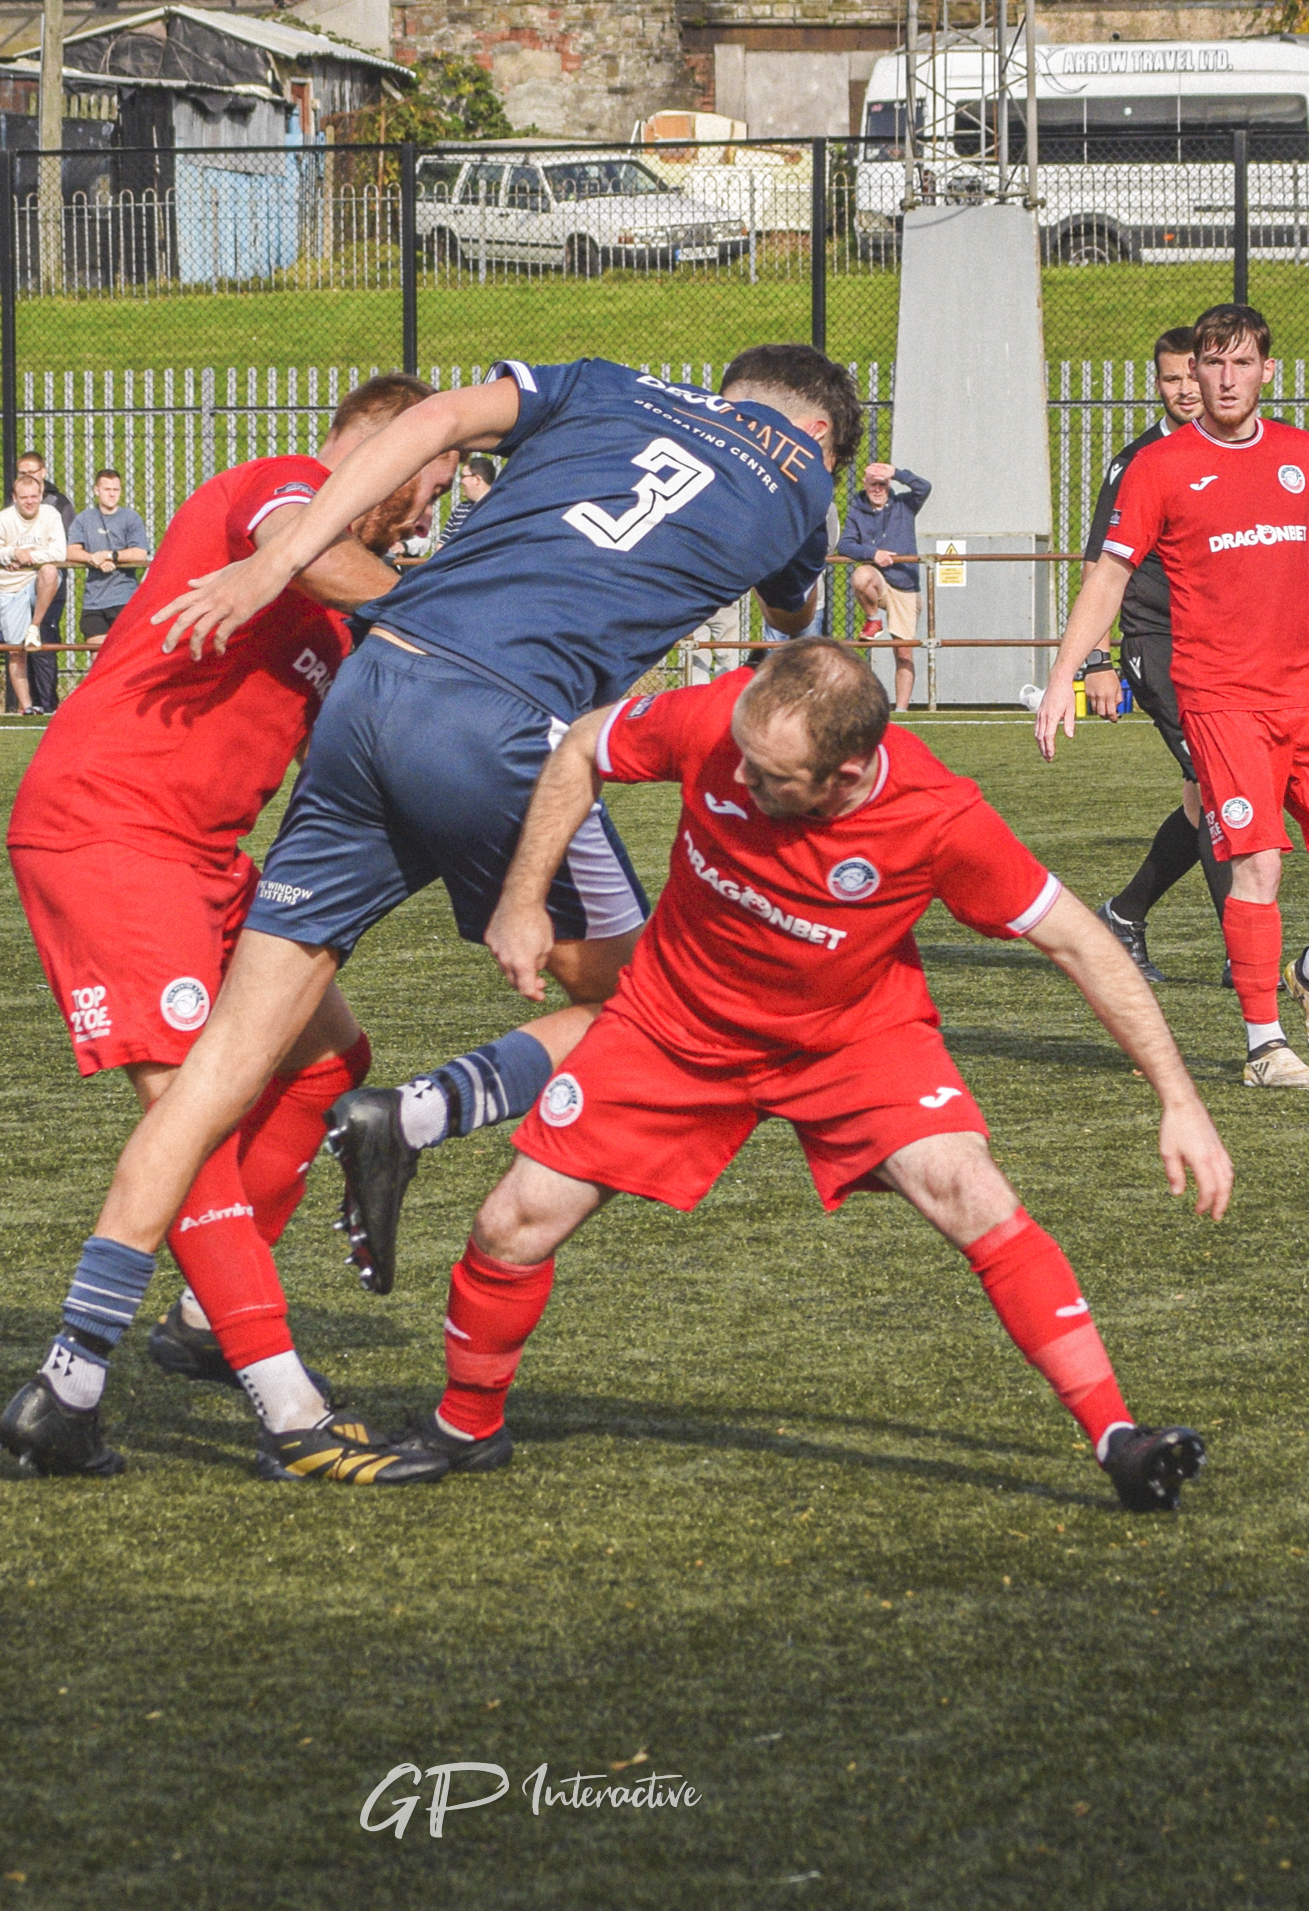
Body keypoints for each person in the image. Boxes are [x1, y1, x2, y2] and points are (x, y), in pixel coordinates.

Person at [45, 344, 852, 1373]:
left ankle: (74, 1371)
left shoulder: (611, 382)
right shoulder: (803, 483)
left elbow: (429, 424)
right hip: (506, 721)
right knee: (657, 1005)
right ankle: (418, 1116)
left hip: (375, 685)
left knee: (223, 1069)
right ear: (821, 431)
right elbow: (794, 637)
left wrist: (276, 561)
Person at [397, 638, 1230, 1511]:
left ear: (849, 771)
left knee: (971, 1191)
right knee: (511, 1222)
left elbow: (1080, 942)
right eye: (745, 762)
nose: (743, 783)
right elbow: (580, 748)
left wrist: (1178, 1098)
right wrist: (523, 900)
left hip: (853, 1037)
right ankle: (466, 1427)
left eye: (773, 778)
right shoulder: (720, 722)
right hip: (676, 1020)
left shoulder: (939, 816)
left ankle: (1117, 1440)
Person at [0, 373, 461, 1485]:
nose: (423, 515)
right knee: (190, 1111)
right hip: (110, 831)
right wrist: (441, 611)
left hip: (205, 859)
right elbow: (301, 544)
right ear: (377, 447)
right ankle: (286, 1405)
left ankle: (177, 1330)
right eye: (424, 484)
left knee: (328, 1062)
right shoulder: (286, 486)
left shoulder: (347, 621)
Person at [1037, 302, 1309, 1093]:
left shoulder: (1304, 455)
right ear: (1192, 374)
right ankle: (1265, 1045)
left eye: (1241, 364)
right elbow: (1109, 575)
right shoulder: (1157, 468)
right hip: (1221, 699)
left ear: (1268, 371)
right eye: (1212, 363)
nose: (1226, 379)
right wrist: (1067, 671)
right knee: (1256, 866)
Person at [1075, 327, 1216, 985]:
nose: (1186, 390)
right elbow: (1102, 567)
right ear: (1156, 384)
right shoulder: (1136, 462)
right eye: (1172, 379)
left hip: (1222, 648)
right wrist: (1095, 662)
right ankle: (1248, 961)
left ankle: (1124, 914)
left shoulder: (1231, 451)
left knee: (1206, 798)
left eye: (1194, 375)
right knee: (1221, 793)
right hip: (1157, 647)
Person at [837, 458, 932, 705]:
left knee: (903, 651)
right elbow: (845, 544)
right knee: (861, 575)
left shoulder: (904, 504)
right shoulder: (857, 509)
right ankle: (873, 620)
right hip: (878, 580)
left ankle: (901, 710)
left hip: (904, 583)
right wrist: (873, 553)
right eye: (873, 485)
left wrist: (897, 472)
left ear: (889, 484)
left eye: (882, 484)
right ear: (865, 484)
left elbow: (924, 487)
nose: (877, 490)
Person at [0, 470, 66, 716]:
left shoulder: (51, 515)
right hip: (10, 586)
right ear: (14, 497)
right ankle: (28, 706)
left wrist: (28, 557)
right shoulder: (1, 520)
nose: (30, 501)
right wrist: (13, 553)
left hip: (36, 582)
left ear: (41, 494)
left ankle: (35, 625)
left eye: (34, 496)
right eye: (24, 497)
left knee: (50, 571)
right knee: (15, 651)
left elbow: (59, 553)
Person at [12, 453, 80, 710]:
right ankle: (24, 704)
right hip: (19, 580)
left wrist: (34, 557)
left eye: (32, 471)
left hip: (48, 582)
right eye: (21, 472)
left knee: (43, 639)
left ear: (43, 472)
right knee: (18, 642)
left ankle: (47, 703)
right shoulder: (16, 502)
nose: (27, 476)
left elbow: (62, 547)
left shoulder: (58, 504)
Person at [67, 469, 155, 642]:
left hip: (124, 598)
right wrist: (93, 558)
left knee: (123, 655)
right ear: (96, 490)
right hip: (93, 601)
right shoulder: (84, 519)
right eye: (107, 489)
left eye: (116, 489)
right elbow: (70, 551)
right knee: (98, 656)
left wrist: (110, 555)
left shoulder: (131, 518)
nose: (112, 494)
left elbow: (140, 552)